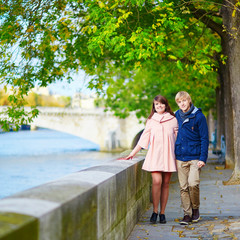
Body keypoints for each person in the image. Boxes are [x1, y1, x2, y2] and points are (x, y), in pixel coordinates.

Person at [123, 95, 178, 224]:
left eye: (161, 104)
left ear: (166, 105)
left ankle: (163, 213)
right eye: (156, 104)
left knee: (165, 184)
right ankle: (154, 211)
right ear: (154, 106)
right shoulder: (151, 121)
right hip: (155, 155)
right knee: (157, 181)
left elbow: (178, 138)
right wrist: (132, 153)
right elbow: (143, 140)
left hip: (169, 155)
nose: (159, 106)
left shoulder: (173, 120)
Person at [174, 91, 209, 225]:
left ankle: (195, 209)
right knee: (183, 187)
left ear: (189, 100)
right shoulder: (176, 116)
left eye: (184, 100)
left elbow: (204, 138)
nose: (182, 103)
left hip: (195, 157)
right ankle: (187, 214)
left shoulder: (199, 117)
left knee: (193, 184)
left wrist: (203, 158)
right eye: (179, 102)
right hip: (181, 156)